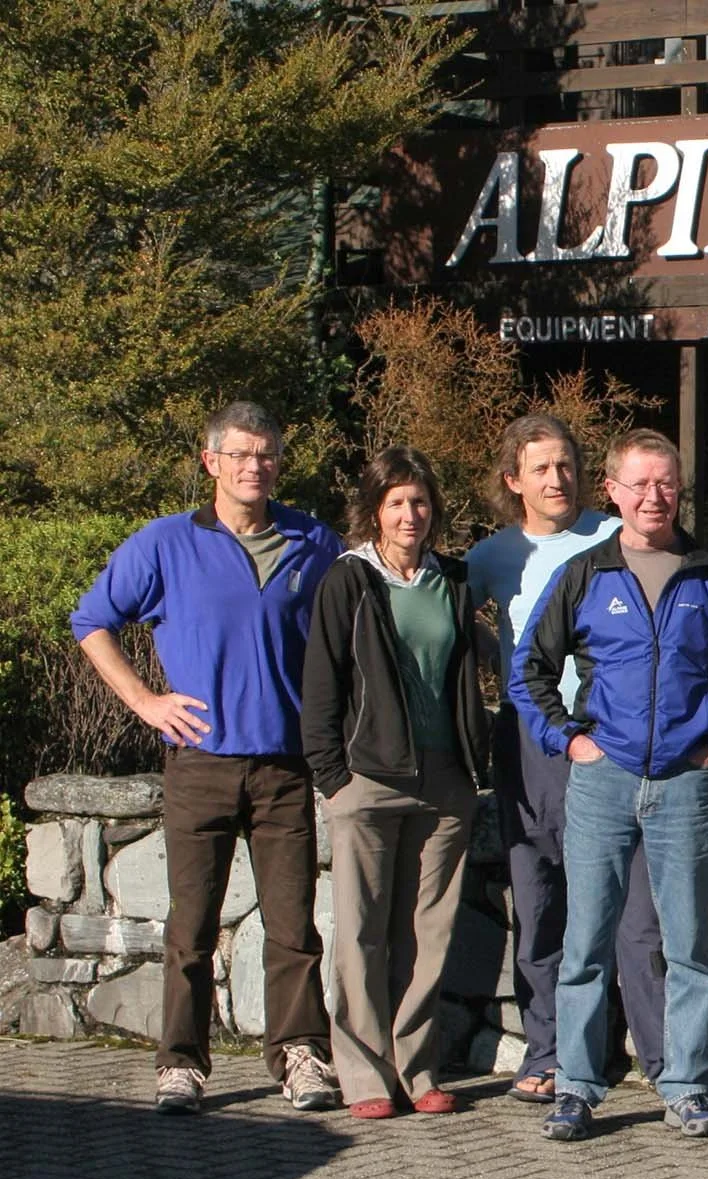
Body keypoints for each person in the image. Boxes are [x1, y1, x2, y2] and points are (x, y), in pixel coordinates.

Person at [71, 400, 344, 1116]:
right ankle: (181, 1065)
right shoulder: (163, 544)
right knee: (190, 926)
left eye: (268, 453)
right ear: (210, 462)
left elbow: (349, 636)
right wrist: (145, 701)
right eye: (241, 453)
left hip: (285, 764)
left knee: (293, 927)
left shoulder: (313, 542)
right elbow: (92, 621)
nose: (255, 465)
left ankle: (301, 1056)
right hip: (199, 763)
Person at [512, 428, 708, 1142]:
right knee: (585, 940)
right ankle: (577, 1085)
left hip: (686, 785)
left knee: (688, 942)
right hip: (602, 781)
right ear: (613, 490)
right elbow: (528, 670)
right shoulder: (585, 574)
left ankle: (687, 1085)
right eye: (640, 483)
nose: (654, 496)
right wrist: (572, 740)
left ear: (678, 489)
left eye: (666, 483)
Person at [465, 415, 666, 1106]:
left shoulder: (616, 536)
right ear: (512, 480)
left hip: (617, 737)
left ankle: (655, 1056)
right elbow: (451, 620)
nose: (557, 479)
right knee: (542, 897)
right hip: (533, 741)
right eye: (540, 468)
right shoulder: (494, 556)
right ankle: (550, 1050)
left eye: (566, 465)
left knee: (630, 906)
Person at [302, 447, 489, 1118]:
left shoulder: (454, 580)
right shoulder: (348, 581)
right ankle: (364, 1074)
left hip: (445, 780)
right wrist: (332, 776)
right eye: (396, 503)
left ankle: (417, 1068)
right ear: (373, 510)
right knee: (360, 932)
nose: (411, 514)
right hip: (367, 777)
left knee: (427, 931)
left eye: (420, 501)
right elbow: (321, 684)